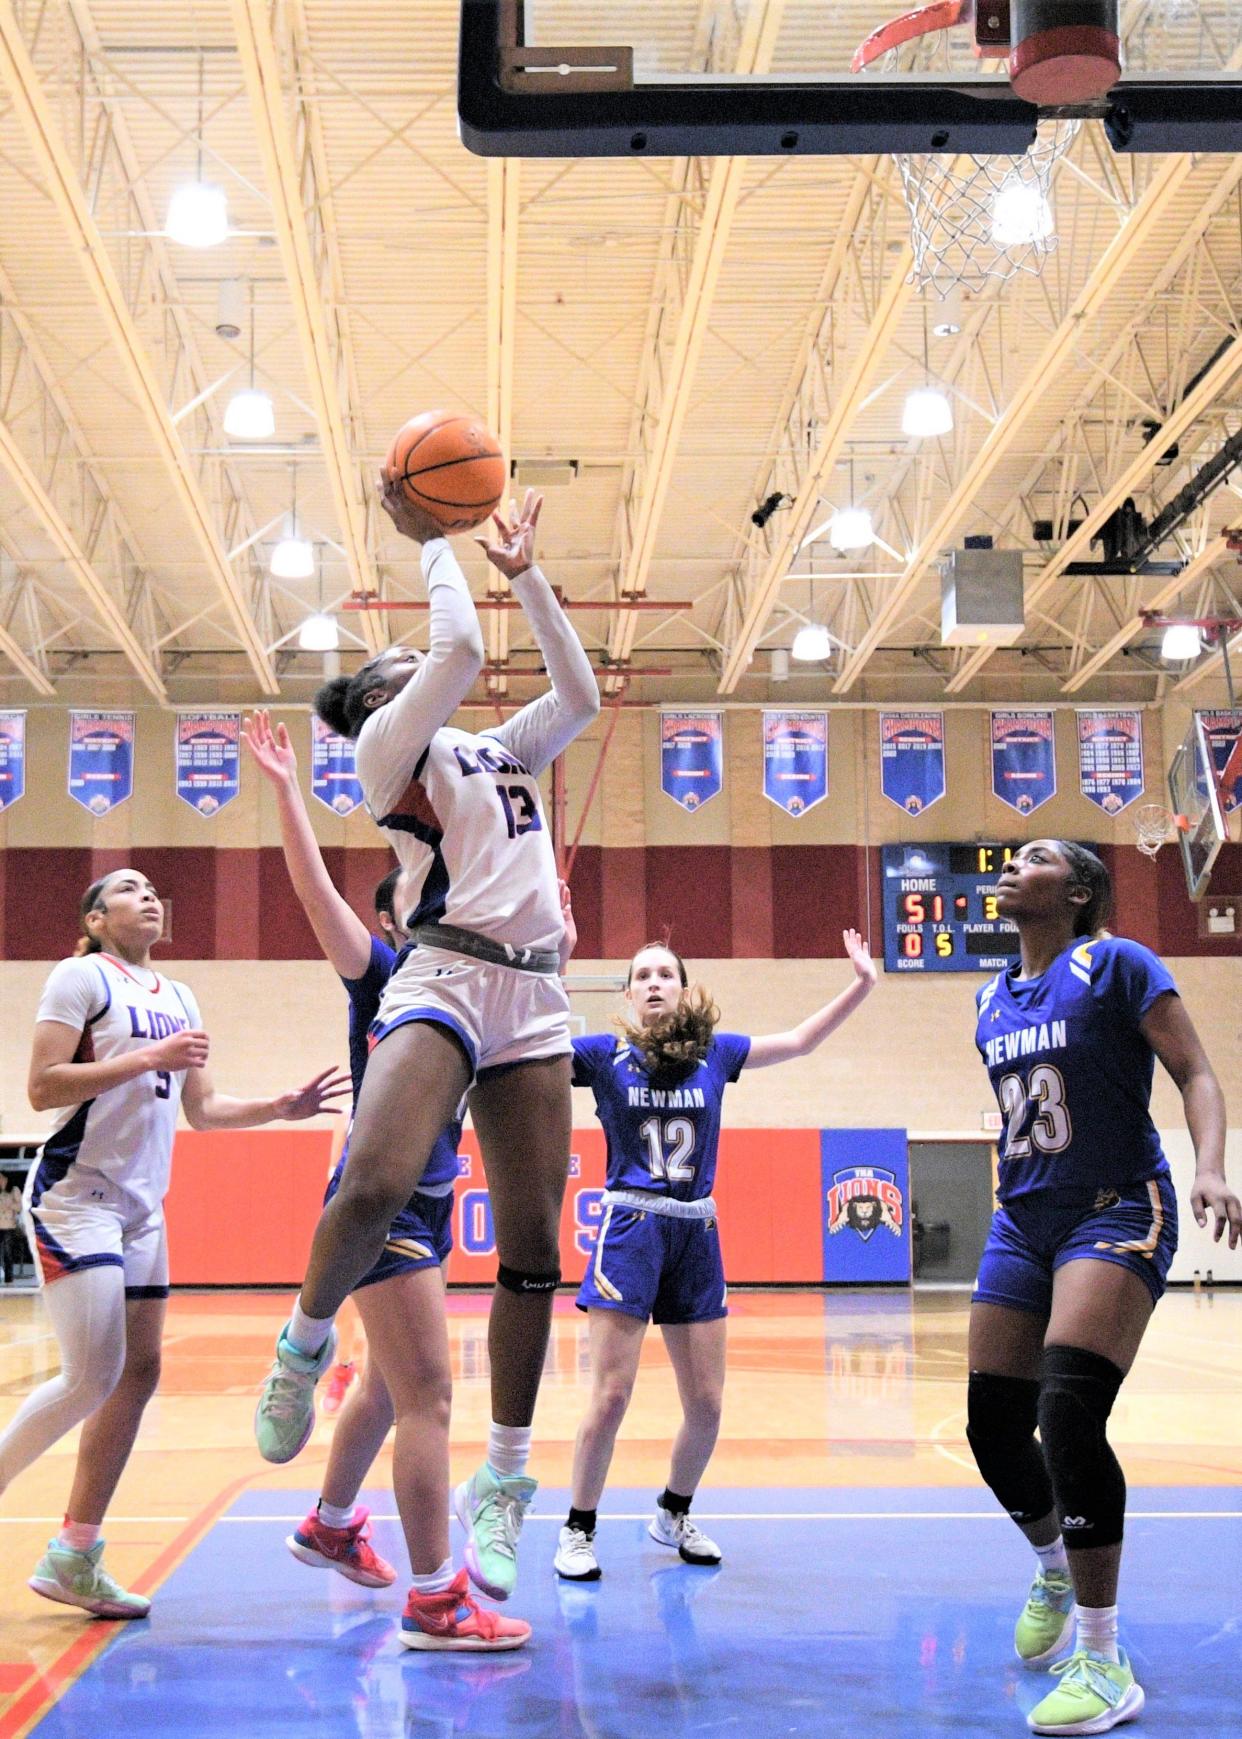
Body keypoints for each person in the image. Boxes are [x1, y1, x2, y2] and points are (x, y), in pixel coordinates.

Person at [254, 483, 599, 1608]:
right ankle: (303, 1349)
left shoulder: (494, 749)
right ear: (376, 706)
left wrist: (528, 578)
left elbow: (580, 694)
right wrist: (438, 540)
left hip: (537, 998)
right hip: (445, 971)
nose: (420, 662)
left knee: (538, 1252)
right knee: (373, 1182)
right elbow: (451, 641)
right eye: (395, 665)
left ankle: (504, 1478)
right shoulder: (386, 749)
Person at [242, 709, 528, 1650]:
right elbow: (318, 891)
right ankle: (435, 1597)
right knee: (430, 1399)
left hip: (427, 1208)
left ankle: (328, 1520)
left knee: (383, 1387)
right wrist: (288, 791)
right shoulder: (387, 972)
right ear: (397, 906)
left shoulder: (484, 982)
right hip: (385, 1208)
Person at [0, 868, 348, 1618]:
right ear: (95, 917)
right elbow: (42, 1085)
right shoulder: (79, 976)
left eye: (156, 886)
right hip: (76, 1194)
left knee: (138, 1373)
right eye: (129, 888)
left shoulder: (181, 996)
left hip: (142, 1207)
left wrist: (279, 1106)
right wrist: (144, 1059)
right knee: (92, 1375)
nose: (151, 894)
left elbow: (206, 1107)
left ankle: (75, 1551)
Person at [965, 840, 1239, 1736]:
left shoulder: (1116, 961)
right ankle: (1053, 1561)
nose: (1010, 865)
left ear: (1078, 891)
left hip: (1116, 1203)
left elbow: (1195, 1069)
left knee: (1070, 1410)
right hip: (1023, 1217)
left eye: (1035, 858)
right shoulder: (987, 999)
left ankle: (1102, 1652)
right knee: (991, 1423)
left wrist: (1212, 1168)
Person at [553, 922, 877, 1582]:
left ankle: (673, 1512)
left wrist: (861, 985)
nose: (652, 982)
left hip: (696, 1231)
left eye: (664, 973)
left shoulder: (716, 1054)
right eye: (641, 975)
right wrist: (556, 955)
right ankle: (578, 1528)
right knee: (610, 1395)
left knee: (707, 1401)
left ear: (684, 988)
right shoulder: (602, 1055)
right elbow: (533, 1043)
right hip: (630, 1230)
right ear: (626, 992)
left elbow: (800, 1041)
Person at [0, 1174, 23, 1284]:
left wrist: (10, 1205)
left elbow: (20, 1207)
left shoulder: (14, 1190)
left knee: (7, 1253)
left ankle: (8, 1278)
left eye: (2, 1178)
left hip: (9, 1225)